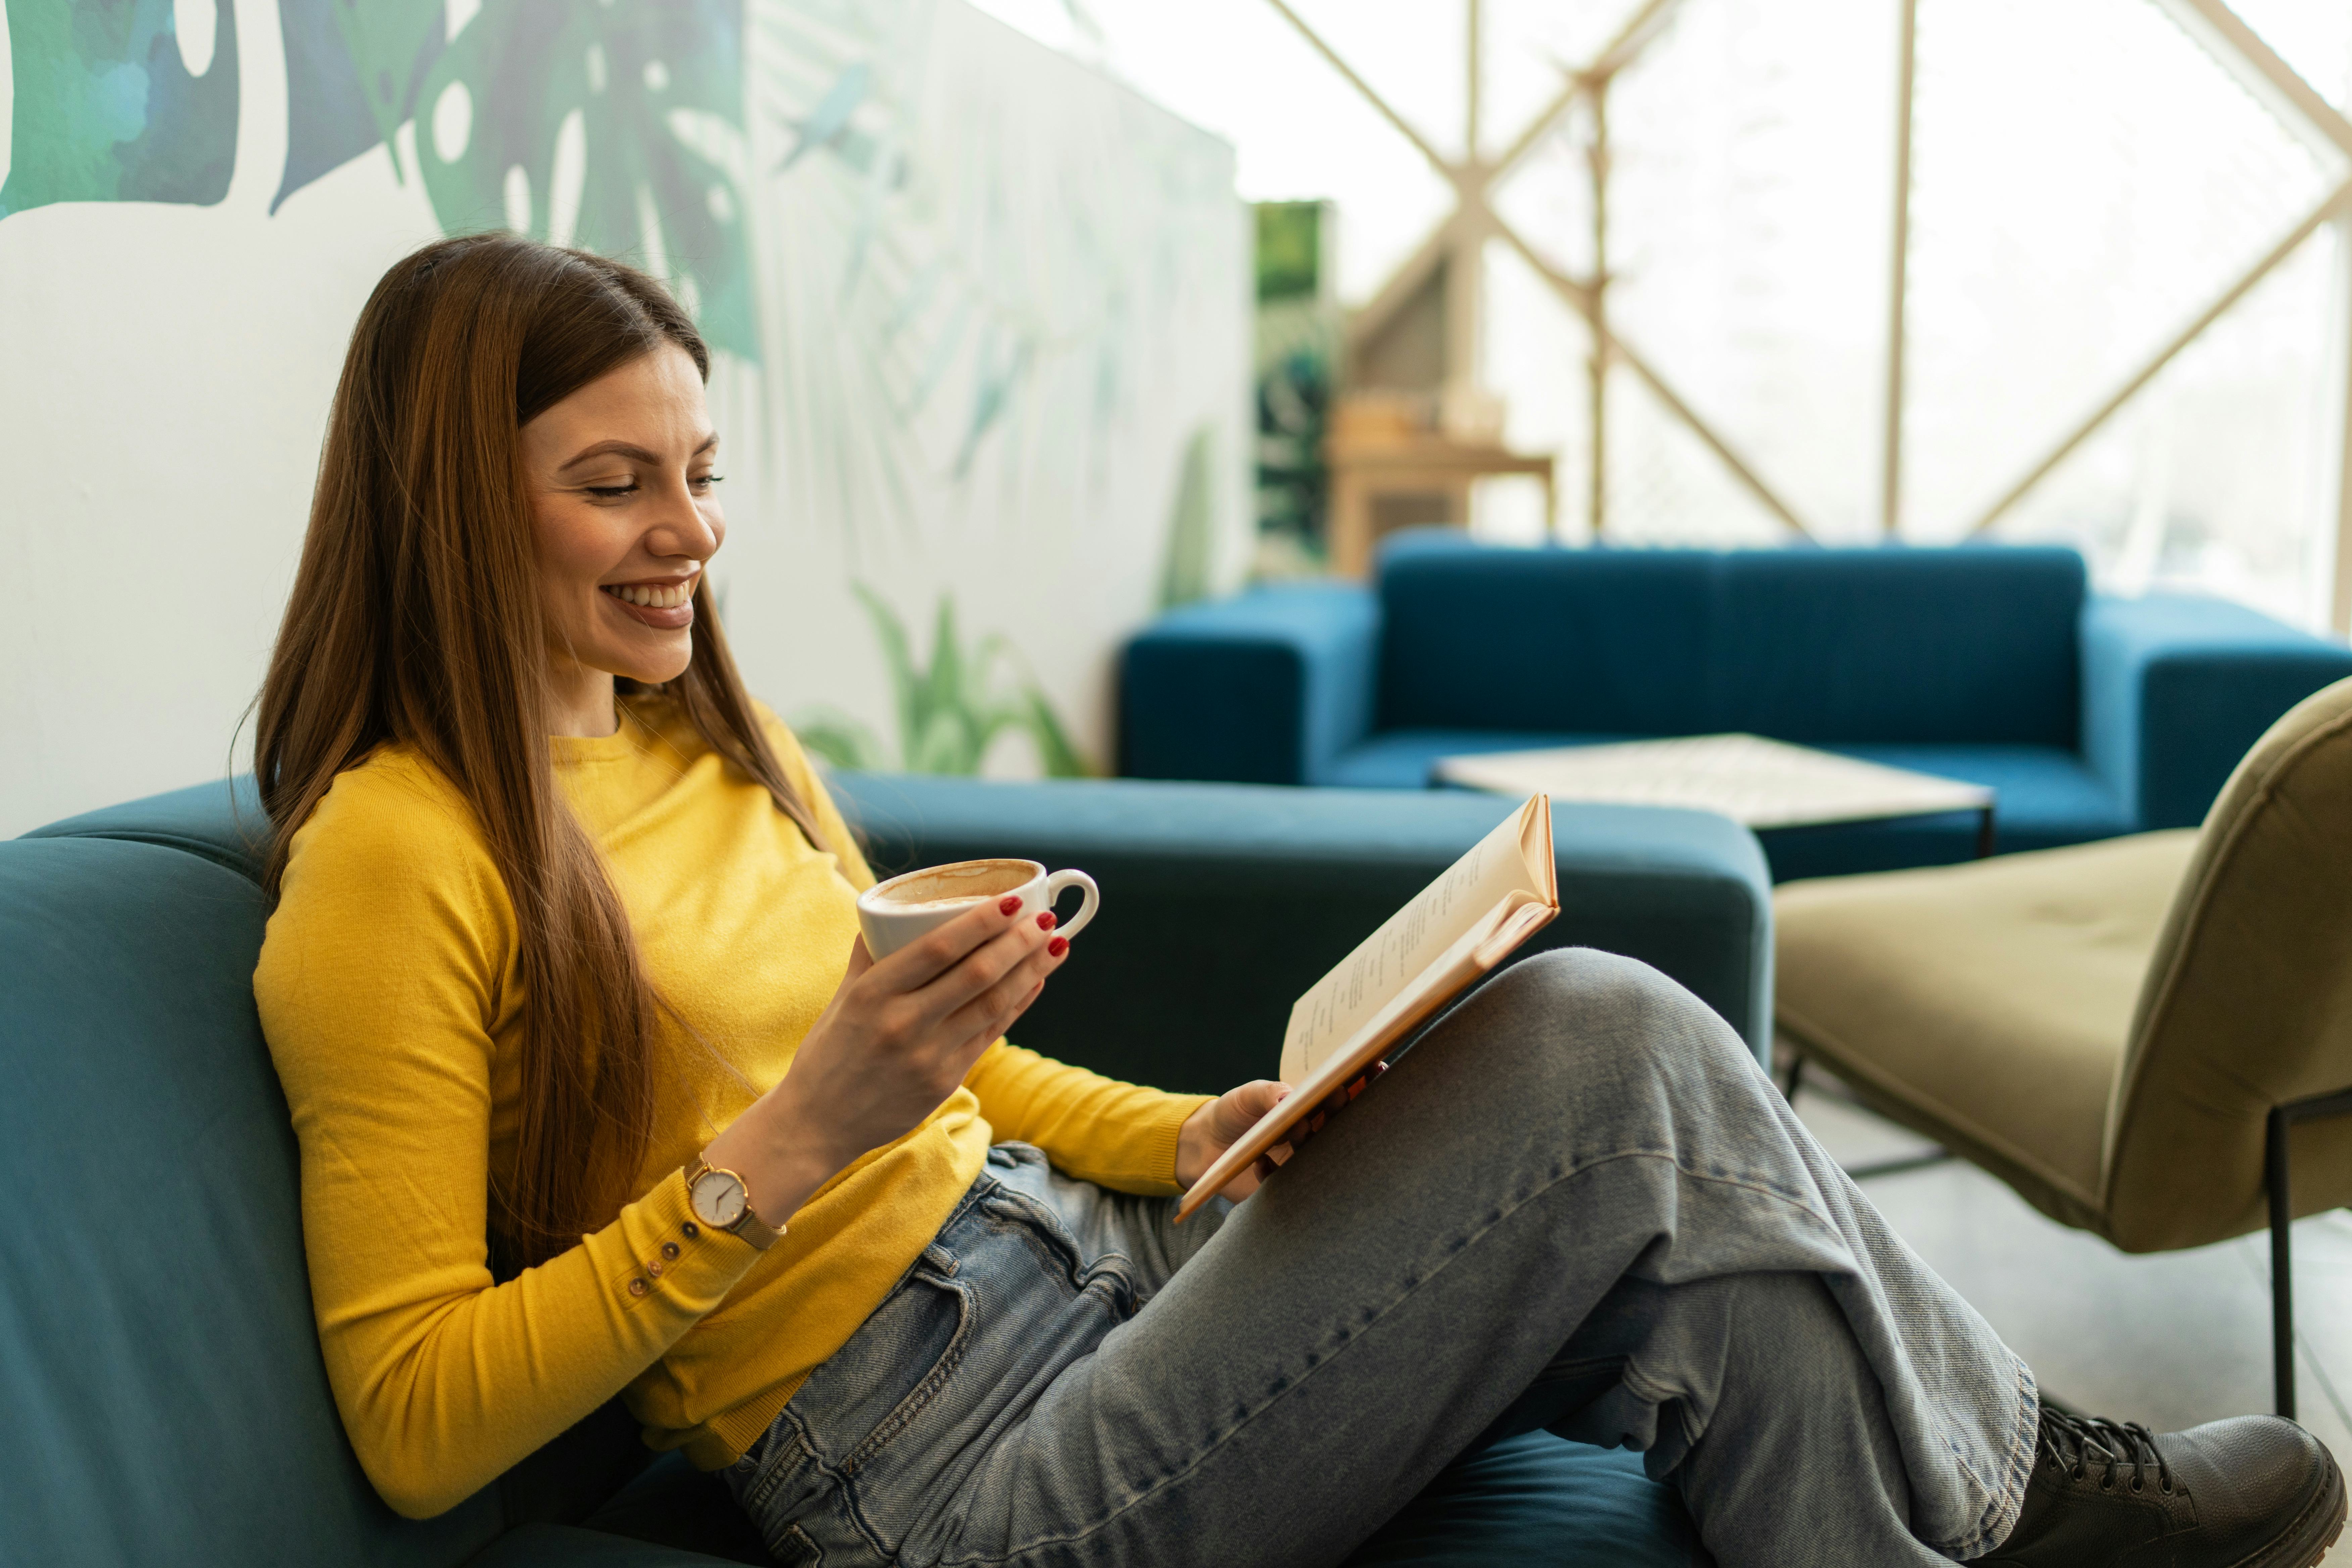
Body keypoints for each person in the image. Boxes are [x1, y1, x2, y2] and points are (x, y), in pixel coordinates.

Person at [250, 234, 2343, 1568]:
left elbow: (955, 1090)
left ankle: (2000, 1497)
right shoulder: (394, 863)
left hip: (1108, 1278)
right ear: (454, 493)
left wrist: (1188, 1130)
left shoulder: (704, 739)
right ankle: (2029, 1484)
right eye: (614, 482)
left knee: (1710, 1257)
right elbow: (420, 1426)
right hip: (936, 1479)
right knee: (1613, 1054)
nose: (687, 533)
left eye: (703, 469)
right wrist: (791, 1145)